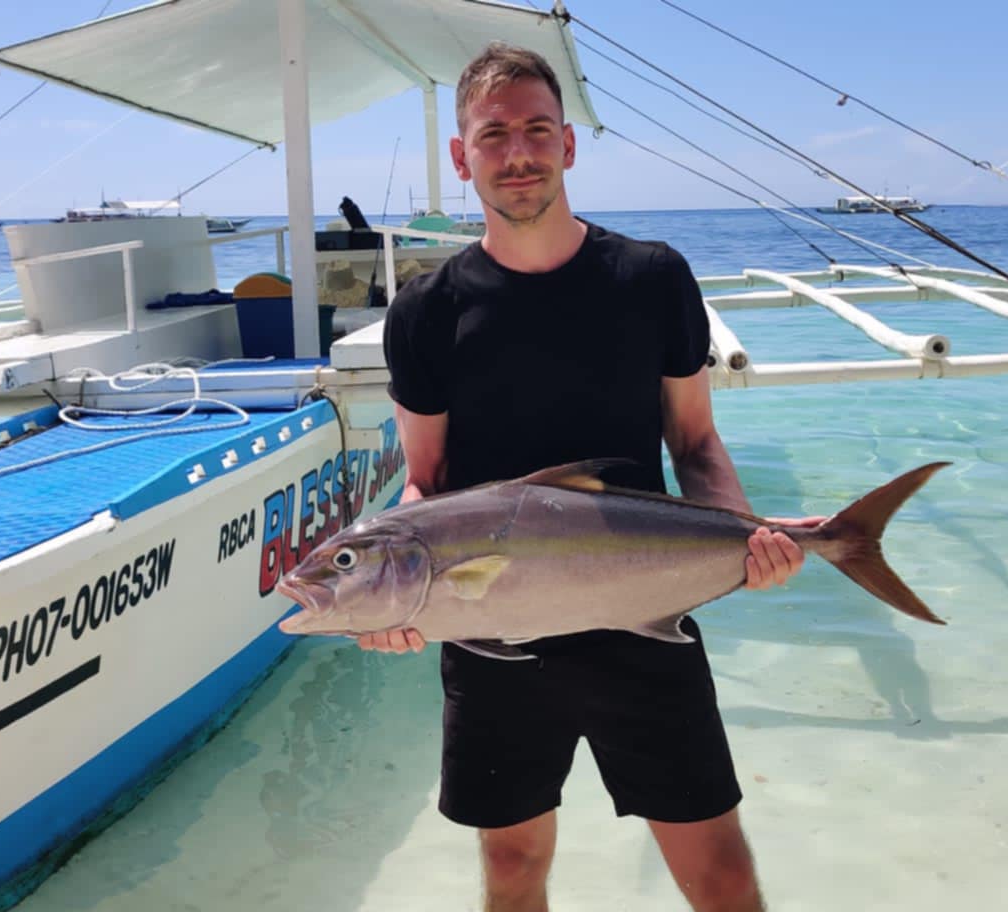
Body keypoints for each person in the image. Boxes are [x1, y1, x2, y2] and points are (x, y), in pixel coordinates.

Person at [366, 42, 818, 912]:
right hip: (492, 626)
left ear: (568, 146)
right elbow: (424, 484)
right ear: (462, 158)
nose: (519, 153)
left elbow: (695, 445)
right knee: (513, 867)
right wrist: (397, 595)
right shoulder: (426, 310)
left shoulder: (651, 277)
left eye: (538, 130)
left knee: (719, 872)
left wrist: (742, 541)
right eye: (494, 135)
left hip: (638, 612)